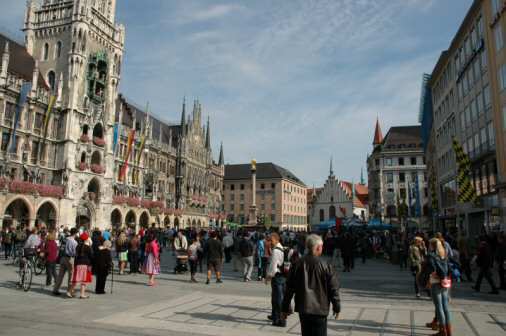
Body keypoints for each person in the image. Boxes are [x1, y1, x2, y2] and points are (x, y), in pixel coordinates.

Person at [282, 234, 340, 336]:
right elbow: (333, 288)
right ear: (318, 247)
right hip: (320, 310)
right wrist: (337, 306)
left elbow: (289, 288)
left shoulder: (297, 263)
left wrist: (285, 307)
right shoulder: (325, 265)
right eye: (321, 246)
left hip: (304, 308)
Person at [426, 238, 452, 336]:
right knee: (445, 307)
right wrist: (444, 277)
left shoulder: (431, 255)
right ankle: (449, 331)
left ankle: (442, 331)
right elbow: (449, 268)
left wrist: (429, 280)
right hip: (445, 281)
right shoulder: (443, 254)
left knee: (439, 307)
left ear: (432, 245)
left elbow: (432, 270)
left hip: (436, 281)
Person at [265, 232, 286, 327]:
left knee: (278, 299)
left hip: (277, 277)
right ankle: (274, 316)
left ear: (276, 239)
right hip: (282, 276)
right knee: (276, 298)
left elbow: (273, 266)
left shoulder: (276, 250)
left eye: (271, 240)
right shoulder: (281, 247)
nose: (270, 242)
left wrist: (268, 277)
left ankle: (280, 320)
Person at [53, 228, 78, 296]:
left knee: (60, 275)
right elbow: (74, 252)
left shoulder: (65, 239)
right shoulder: (74, 242)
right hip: (70, 259)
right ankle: (70, 291)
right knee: (71, 276)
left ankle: (55, 289)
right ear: (75, 233)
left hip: (62, 258)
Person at [69, 232, 93, 299]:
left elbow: (75, 256)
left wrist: (75, 265)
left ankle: (70, 291)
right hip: (85, 265)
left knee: (76, 280)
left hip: (78, 264)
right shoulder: (88, 247)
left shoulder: (77, 246)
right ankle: (82, 294)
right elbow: (91, 257)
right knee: (84, 280)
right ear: (87, 239)